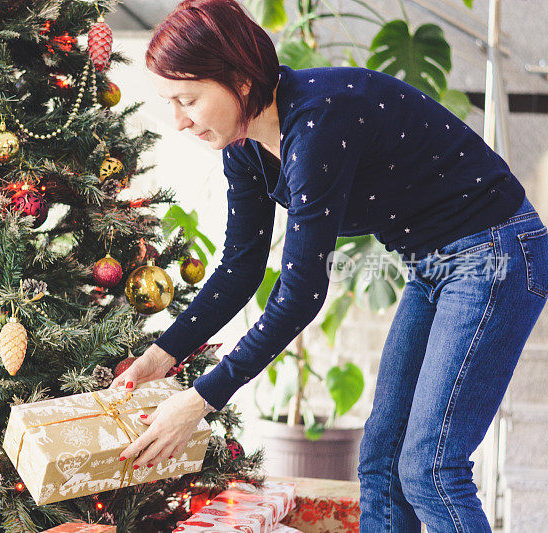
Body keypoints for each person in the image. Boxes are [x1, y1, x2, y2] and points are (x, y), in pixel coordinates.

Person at [111, 1, 548, 531]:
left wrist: (200, 400)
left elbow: (299, 294)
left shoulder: (318, 121)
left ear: (241, 81)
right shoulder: (244, 148)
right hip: (432, 267)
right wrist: (161, 357)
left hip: (494, 253)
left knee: (430, 468)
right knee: (381, 463)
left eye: (188, 99)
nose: (179, 121)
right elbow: (240, 268)